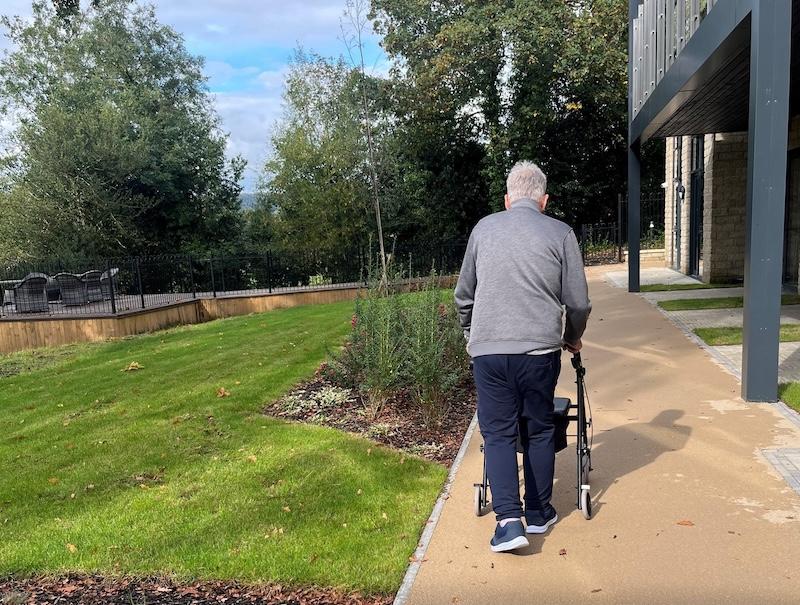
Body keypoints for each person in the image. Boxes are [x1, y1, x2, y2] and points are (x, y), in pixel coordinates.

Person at [454, 161, 591, 553]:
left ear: (507, 199)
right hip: (538, 352)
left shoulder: (483, 229)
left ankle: (507, 522)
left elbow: (464, 295)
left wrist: (471, 335)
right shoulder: (561, 233)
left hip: (489, 354)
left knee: (497, 433)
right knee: (539, 428)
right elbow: (578, 303)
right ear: (544, 201)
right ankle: (538, 512)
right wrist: (572, 337)